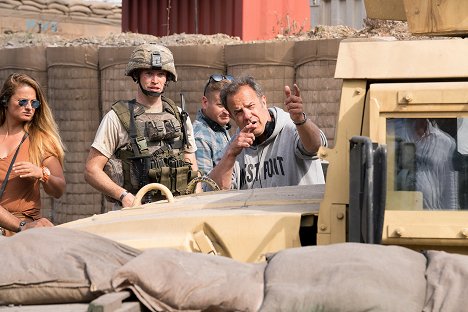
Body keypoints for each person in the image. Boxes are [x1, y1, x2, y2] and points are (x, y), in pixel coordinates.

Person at [85, 43, 199, 208]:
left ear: (167, 78)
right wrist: (123, 196)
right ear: (137, 75)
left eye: (160, 74)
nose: (155, 80)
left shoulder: (179, 116)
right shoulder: (117, 117)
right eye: (149, 73)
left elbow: (191, 163)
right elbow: (91, 170)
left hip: (176, 209)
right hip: (135, 212)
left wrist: (195, 203)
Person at [209, 75, 327, 190]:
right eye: (238, 112)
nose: (247, 115)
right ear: (232, 117)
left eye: (250, 106)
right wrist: (231, 154)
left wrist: (300, 120)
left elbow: (316, 147)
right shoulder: (235, 146)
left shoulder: (291, 128)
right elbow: (215, 191)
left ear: (263, 102)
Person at [0, 73, 66, 236]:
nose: (29, 107)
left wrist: (42, 174)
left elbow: (59, 189)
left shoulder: (40, 141)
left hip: (25, 232)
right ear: (5, 101)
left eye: (34, 102)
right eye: (22, 101)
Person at [393, 118, 458, 209]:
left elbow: (449, 190)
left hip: (432, 216)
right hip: (399, 213)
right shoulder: (394, 132)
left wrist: (452, 219)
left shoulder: (445, 142)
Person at [193, 74, 233, 177]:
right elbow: (205, 185)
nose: (226, 111)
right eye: (220, 105)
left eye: (229, 105)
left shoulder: (219, 127)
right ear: (205, 102)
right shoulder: (201, 138)